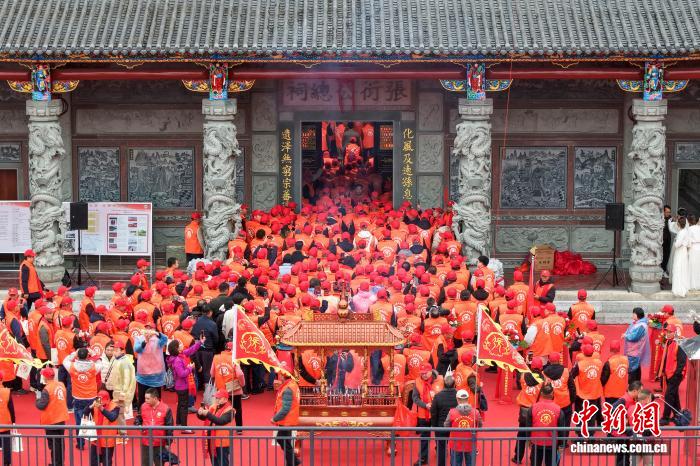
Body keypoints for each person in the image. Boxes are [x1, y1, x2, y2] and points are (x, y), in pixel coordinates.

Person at [63, 347, 102, 450]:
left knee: (79, 421)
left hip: (78, 398)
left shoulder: (71, 366)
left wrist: (74, 353)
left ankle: (80, 444)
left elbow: (65, 360)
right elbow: (100, 361)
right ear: (87, 356)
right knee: (92, 420)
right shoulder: (94, 367)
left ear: (78, 355)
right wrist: (93, 353)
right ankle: (94, 443)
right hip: (91, 397)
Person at [166, 335, 203, 433]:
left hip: (180, 385)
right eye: (180, 344)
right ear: (177, 349)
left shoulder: (180, 355)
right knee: (184, 406)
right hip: (182, 386)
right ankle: (184, 427)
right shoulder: (177, 360)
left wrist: (200, 342)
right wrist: (190, 368)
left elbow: (191, 350)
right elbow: (182, 374)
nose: (182, 345)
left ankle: (179, 423)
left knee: (181, 405)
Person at [527, 384, 566, 466]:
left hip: (536, 443)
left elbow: (528, 426)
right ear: (552, 394)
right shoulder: (558, 409)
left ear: (541, 393)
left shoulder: (533, 407)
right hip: (552, 444)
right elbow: (562, 430)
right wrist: (561, 444)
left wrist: (528, 440)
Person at [36, 367, 68, 466]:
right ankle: (59, 462)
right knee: (60, 442)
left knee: (54, 444)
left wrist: (37, 401)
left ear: (45, 377)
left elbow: (41, 405)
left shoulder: (47, 389)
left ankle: (56, 463)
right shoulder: (61, 384)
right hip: (61, 417)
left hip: (52, 419)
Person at [211, 341, 246, 430]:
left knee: (220, 408)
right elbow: (240, 374)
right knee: (237, 408)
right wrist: (242, 384)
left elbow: (212, 373)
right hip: (233, 389)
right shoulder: (235, 359)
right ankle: (239, 429)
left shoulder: (216, 357)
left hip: (221, 389)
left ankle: (218, 427)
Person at [135, 388, 174, 466]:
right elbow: (139, 418)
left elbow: (169, 427)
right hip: (146, 442)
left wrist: (168, 443)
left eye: (148, 399)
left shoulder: (166, 409)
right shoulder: (143, 406)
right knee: (145, 464)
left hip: (160, 443)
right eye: (145, 398)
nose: (145, 400)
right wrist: (138, 423)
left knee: (159, 464)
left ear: (155, 398)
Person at [444, 388, 482, 466]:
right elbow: (480, 425)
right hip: (470, 443)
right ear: (468, 399)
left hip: (456, 444)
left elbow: (446, 425)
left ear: (457, 399)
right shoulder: (476, 412)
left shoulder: (452, 412)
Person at [197, 389, 235, 466]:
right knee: (214, 463)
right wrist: (200, 413)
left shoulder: (230, 411)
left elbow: (220, 421)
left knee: (223, 464)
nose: (216, 399)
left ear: (225, 399)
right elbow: (205, 418)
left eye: (219, 398)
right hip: (212, 441)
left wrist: (207, 414)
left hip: (222, 443)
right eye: (216, 397)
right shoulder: (213, 406)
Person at [271, 373, 301, 466]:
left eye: (279, 375)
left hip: (286, 420)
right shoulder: (292, 384)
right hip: (290, 418)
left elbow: (285, 408)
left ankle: (293, 462)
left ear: (283, 376)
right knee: (284, 440)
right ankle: (294, 461)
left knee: (282, 440)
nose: (278, 376)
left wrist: (275, 419)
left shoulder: (288, 388)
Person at [134, 329, 168, 409]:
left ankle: (158, 412)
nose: (148, 331)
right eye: (146, 328)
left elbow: (165, 339)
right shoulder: (139, 338)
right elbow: (137, 349)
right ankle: (141, 413)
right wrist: (145, 342)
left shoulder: (158, 340)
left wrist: (157, 333)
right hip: (143, 373)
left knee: (156, 396)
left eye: (150, 329)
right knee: (142, 397)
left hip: (156, 374)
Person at [660, 324, 687, 425]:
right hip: (669, 373)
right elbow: (666, 358)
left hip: (675, 375)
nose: (667, 333)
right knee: (674, 395)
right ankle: (677, 415)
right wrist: (663, 371)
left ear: (674, 333)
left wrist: (676, 374)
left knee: (668, 396)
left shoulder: (678, 344)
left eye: (669, 332)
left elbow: (682, 362)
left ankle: (665, 417)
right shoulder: (668, 342)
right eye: (667, 331)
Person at [107, 341, 136, 431]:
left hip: (121, 393)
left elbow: (127, 380)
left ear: (122, 351)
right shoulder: (118, 359)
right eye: (113, 350)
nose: (114, 352)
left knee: (120, 414)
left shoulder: (124, 362)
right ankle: (120, 431)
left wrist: (123, 395)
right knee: (118, 413)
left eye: (116, 350)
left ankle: (123, 433)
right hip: (117, 391)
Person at [431, 375, 458, 466]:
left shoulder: (438, 396)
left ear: (443, 384)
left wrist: (434, 426)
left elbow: (433, 412)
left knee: (441, 448)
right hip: (454, 426)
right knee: (454, 448)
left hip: (441, 426)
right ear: (454, 384)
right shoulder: (458, 396)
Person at [413, 363, 437, 466]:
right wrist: (425, 405)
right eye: (422, 373)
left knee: (439, 435)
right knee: (424, 437)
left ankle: (440, 450)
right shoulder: (417, 382)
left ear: (431, 372)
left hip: (436, 414)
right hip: (423, 415)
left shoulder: (439, 380)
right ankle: (423, 458)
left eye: (425, 373)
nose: (423, 375)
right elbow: (415, 398)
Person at [89, 390, 120, 466]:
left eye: (102, 400)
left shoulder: (115, 406)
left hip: (107, 442)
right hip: (96, 440)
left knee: (107, 463)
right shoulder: (95, 405)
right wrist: (90, 406)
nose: (100, 402)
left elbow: (112, 417)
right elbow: (84, 413)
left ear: (108, 399)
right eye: (99, 399)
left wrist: (101, 408)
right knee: (94, 462)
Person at [191, 307, 219, 389]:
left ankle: (198, 386)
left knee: (198, 368)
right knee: (207, 370)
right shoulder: (212, 324)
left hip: (196, 349)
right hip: (207, 350)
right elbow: (216, 339)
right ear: (210, 312)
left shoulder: (195, 321)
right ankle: (208, 389)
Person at [623, 308, 650, 384]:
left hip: (635, 350)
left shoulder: (640, 325)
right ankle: (637, 385)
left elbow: (634, 337)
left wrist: (625, 335)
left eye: (633, 314)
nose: (632, 315)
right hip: (634, 349)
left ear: (636, 315)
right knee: (637, 367)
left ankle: (633, 386)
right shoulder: (638, 323)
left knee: (633, 369)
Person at [602, 340, 629, 405]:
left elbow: (604, 379)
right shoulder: (626, 359)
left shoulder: (609, 362)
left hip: (610, 393)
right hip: (622, 392)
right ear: (619, 349)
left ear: (610, 349)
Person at [670, 216, 690, 297]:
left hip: (680, 251)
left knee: (678, 268)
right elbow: (688, 243)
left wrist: (675, 242)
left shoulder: (681, 232)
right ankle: (682, 287)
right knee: (682, 268)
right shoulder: (686, 231)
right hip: (684, 251)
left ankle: (678, 289)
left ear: (678, 224)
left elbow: (677, 244)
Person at [0, 376, 15, 466]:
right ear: (2, 380)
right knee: (6, 446)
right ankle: (7, 463)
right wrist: (13, 421)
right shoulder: (7, 391)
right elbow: (11, 408)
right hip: (5, 423)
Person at [687, 215, 700, 290]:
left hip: (693, 248)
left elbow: (688, 241)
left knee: (692, 266)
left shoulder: (690, 229)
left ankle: (693, 284)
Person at [661, 205, 673, 276]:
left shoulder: (670, 218)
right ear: (663, 212)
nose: (668, 213)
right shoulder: (660, 218)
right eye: (667, 212)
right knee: (661, 255)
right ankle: (661, 270)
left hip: (668, 239)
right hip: (661, 239)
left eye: (669, 212)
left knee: (667, 254)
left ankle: (664, 269)